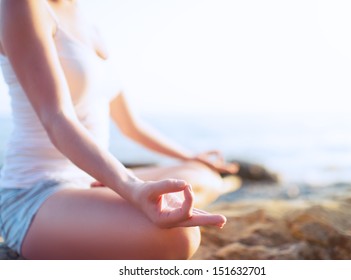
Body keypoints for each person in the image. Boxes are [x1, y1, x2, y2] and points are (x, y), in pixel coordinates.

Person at [0, 0, 239, 259]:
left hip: (90, 181)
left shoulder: (89, 24)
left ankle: (108, 200)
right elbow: (56, 118)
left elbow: (131, 126)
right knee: (180, 237)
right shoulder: (21, 5)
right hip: (35, 194)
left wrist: (189, 156)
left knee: (202, 177)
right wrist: (130, 187)